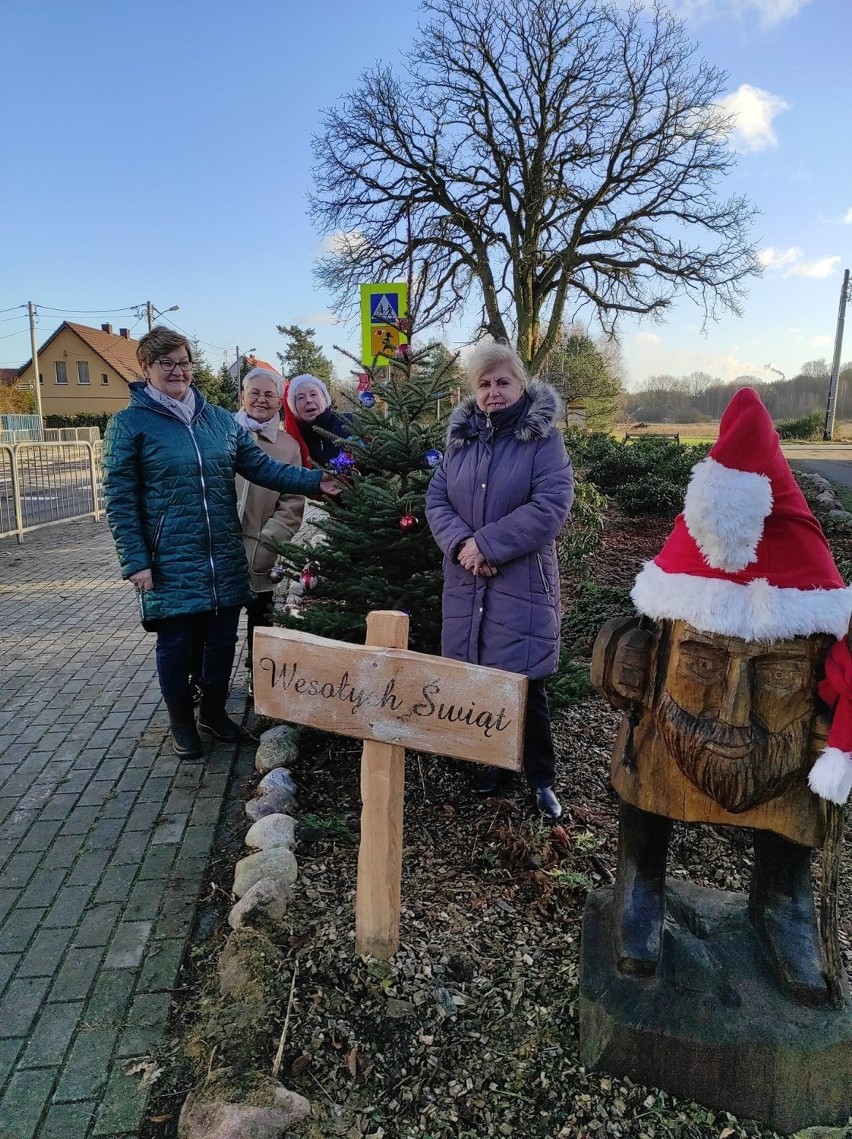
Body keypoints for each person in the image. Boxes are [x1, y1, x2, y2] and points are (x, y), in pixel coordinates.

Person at [593, 387, 852, 1005]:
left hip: (783, 755)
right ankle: (642, 884)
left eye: (774, 672)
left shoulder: (807, 617)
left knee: (793, 802)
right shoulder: (676, 608)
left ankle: (783, 898)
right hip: (670, 737)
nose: (735, 712)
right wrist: (616, 654)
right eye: (706, 661)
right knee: (644, 777)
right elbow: (631, 629)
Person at [102, 327, 339, 761]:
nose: (178, 371)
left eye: (183, 362)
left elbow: (263, 468)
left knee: (221, 640)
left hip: (223, 552)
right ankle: (181, 721)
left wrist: (316, 481)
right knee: (175, 643)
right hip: (169, 557)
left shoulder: (215, 421)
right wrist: (136, 560)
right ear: (146, 368)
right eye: (166, 363)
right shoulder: (129, 425)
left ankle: (213, 711)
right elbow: (119, 498)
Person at [425, 341, 574, 820]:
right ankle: (492, 766)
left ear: (521, 385)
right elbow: (436, 501)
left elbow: (551, 505)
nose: (493, 392)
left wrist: (486, 545)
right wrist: (463, 546)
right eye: (484, 384)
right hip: (466, 581)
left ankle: (541, 780)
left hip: (521, 583)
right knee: (480, 679)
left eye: (502, 382)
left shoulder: (543, 439)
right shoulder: (460, 442)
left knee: (527, 686)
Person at [234, 367, 306, 690]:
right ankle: (204, 679)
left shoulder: (288, 447)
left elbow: (292, 504)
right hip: (218, 546)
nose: (261, 400)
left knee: (260, 616)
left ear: (279, 401)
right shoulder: (222, 434)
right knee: (211, 621)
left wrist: (268, 543)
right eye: (255, 393)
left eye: (269, 394)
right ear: (242, 397)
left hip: (259, 545)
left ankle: (258, 675)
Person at [283, 373, 353, 467]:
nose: (308, 400)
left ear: (325, 399)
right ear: (294, 408)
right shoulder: (294, 440)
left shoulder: (350, 422)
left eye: (313, 394)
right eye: (301, 397)